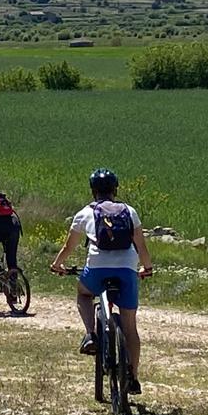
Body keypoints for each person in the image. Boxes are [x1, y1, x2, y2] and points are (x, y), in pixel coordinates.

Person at [49, 168, 155, 395]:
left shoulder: (85, 213)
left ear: (93, 191)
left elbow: (70, 246)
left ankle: (90, 334)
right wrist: (147, 267)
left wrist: (57, 264)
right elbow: (141, 245)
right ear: (115, 189)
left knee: (84, 294)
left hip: (97, 268)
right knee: (130, 327)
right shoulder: (129, 211)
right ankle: (133, 378)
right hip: (127, 269)